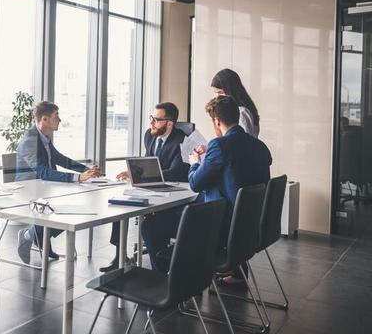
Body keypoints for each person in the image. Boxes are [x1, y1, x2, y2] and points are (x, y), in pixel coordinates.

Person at [187, 95, 272, 283]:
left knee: (173, 220)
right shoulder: (259, 146)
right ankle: (235, 272)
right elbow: (239, 171)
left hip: (224, 225)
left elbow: (195, 184)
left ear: (217, 121)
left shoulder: (219, 145)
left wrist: (195, 163)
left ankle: (183, 279)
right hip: (251, 223)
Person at [100, 102, 193, 272]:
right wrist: (134, 172)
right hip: (149, 186)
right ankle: (120, 256)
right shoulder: (149, 136)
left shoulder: (182, 141)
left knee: (153, 224)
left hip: (173, 190)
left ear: (169, 123)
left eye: (156, 120)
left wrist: (144, 176)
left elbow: (176, 171)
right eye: (152, 118)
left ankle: (161, 267)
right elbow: (147, 162)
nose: (152, 123)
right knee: (121, 205)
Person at [15, 101, 101, 264]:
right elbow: (43, 172)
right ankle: (30, 234)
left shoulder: (44, 138)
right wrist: (77, 178)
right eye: (56, 116)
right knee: (64, 211)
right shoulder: (30, 140)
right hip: (29, 191)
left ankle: (37, 235)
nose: (60, 120)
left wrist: (87, 170)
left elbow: (60, 159)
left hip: (44, 188)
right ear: (44, 119)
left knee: (70, 209)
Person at [211, 68, 261, 137]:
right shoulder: (235, 110)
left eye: (220, 92)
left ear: (231, 91)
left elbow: (243, 141)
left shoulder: (242, 113)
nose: (217, 97)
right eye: (216, 93)